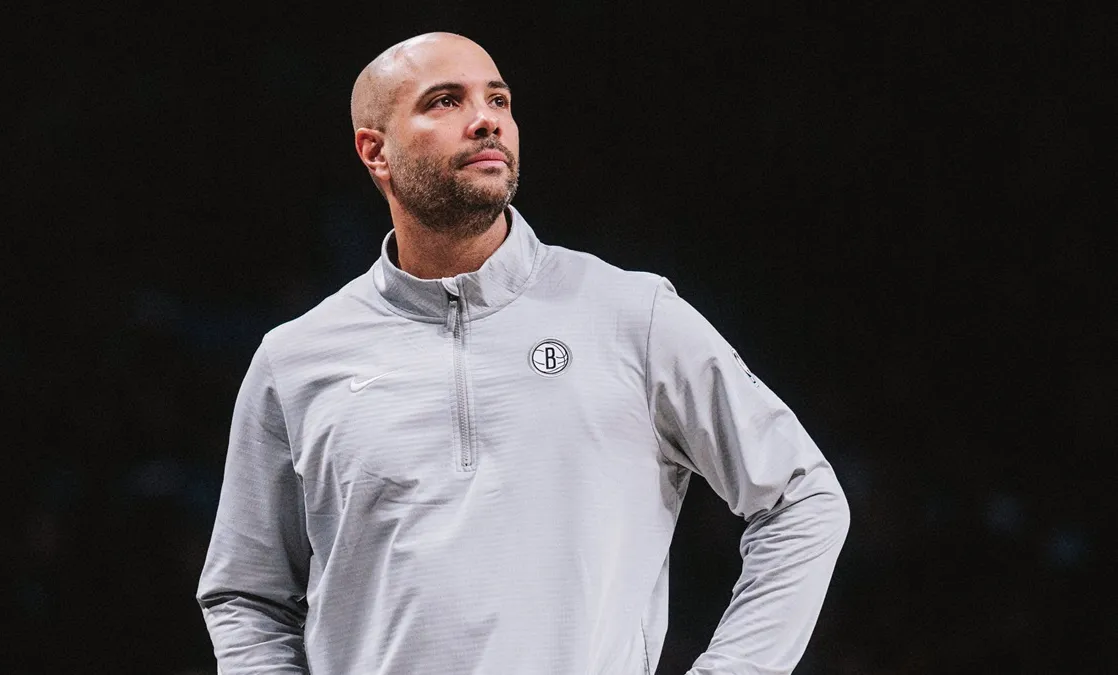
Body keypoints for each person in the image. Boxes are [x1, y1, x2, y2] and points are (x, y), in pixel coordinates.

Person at [197, 32, 850, 675]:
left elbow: (802, 497)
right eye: (446, 101)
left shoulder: (632, 316)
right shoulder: (295, 361)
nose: (486, 120)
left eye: (499, 100)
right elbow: (247, 593)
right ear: (376, 152)